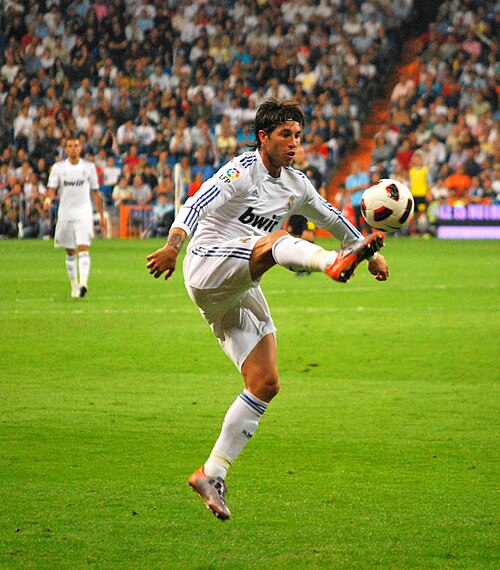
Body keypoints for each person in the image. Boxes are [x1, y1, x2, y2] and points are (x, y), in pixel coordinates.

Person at [146, 99, 388, 521]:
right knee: (273, 243)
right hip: (207, 262)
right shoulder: (241, 171)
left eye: (297, 135)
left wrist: (369, 254)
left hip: (240, 284)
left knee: (265, 382)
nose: (294, 143)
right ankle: (329, 264)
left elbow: (332, 218)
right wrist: (172, 244)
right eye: (285, 135)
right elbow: (196, 203)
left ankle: (212, 472)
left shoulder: (296, 184)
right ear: (263, 138)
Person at [45, 137, 105, 298]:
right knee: (70, 251)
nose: (73, 148)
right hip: (65, 214)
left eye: (76, 146)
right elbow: (51, 188)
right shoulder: (58, 168)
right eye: (69, 146)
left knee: (84, 247)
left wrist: (100, 215)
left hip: (84, 213)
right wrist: (47, 199)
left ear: (80, 148)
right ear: (65, 149)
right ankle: (74, 286)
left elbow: (95, 192)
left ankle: (83, 283)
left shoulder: (89, 167)